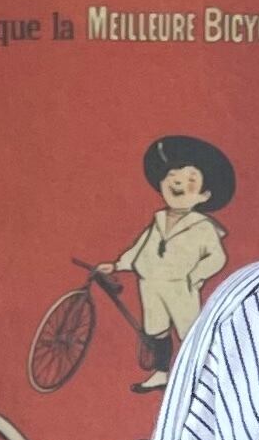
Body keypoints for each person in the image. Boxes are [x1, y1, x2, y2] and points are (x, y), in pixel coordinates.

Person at [98, 133, 234, 390]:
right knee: (156, 330)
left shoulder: (202, 226)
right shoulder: (159, 219)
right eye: (172, 176)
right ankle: (162, 373)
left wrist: (194, 276)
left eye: (190, 179)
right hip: (150, 284)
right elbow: (141, 248)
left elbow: (217, 257)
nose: (178, 182)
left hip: (179, 286)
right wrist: (117, 265)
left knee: (189, 331)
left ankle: (202, 379)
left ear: (204, 195)